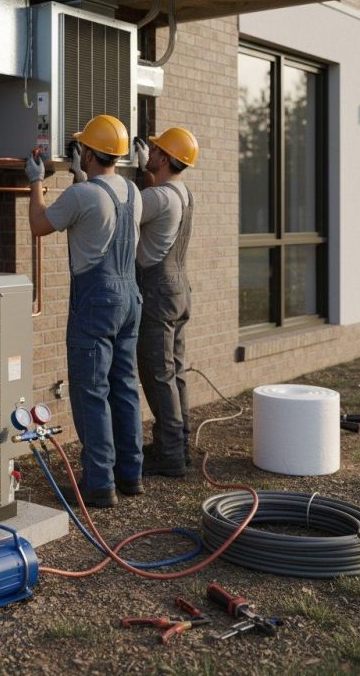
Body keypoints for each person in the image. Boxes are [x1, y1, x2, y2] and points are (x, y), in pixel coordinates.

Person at [25, 115, 143, 508]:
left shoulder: (82, 196)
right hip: (130, 298)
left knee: (91, 391)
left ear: (88, 153)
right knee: (124, 386)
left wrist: (35, 181)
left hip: (96, 300)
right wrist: (81, 178)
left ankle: (98, 483)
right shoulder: (132, 190)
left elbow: (40, 225)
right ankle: (130, 474)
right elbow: (97, 215)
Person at [132, 127, 199, 477]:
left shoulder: (159, 197)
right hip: (179, 289)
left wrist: (135, 174)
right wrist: (147, 174)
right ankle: (178, 445)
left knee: (158, 373)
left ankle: (169, 454)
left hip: (158, 291)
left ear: (165, 158)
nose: (152, 150)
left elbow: (127, 210)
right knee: (175, 371)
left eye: (156, 149)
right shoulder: (183, 193)